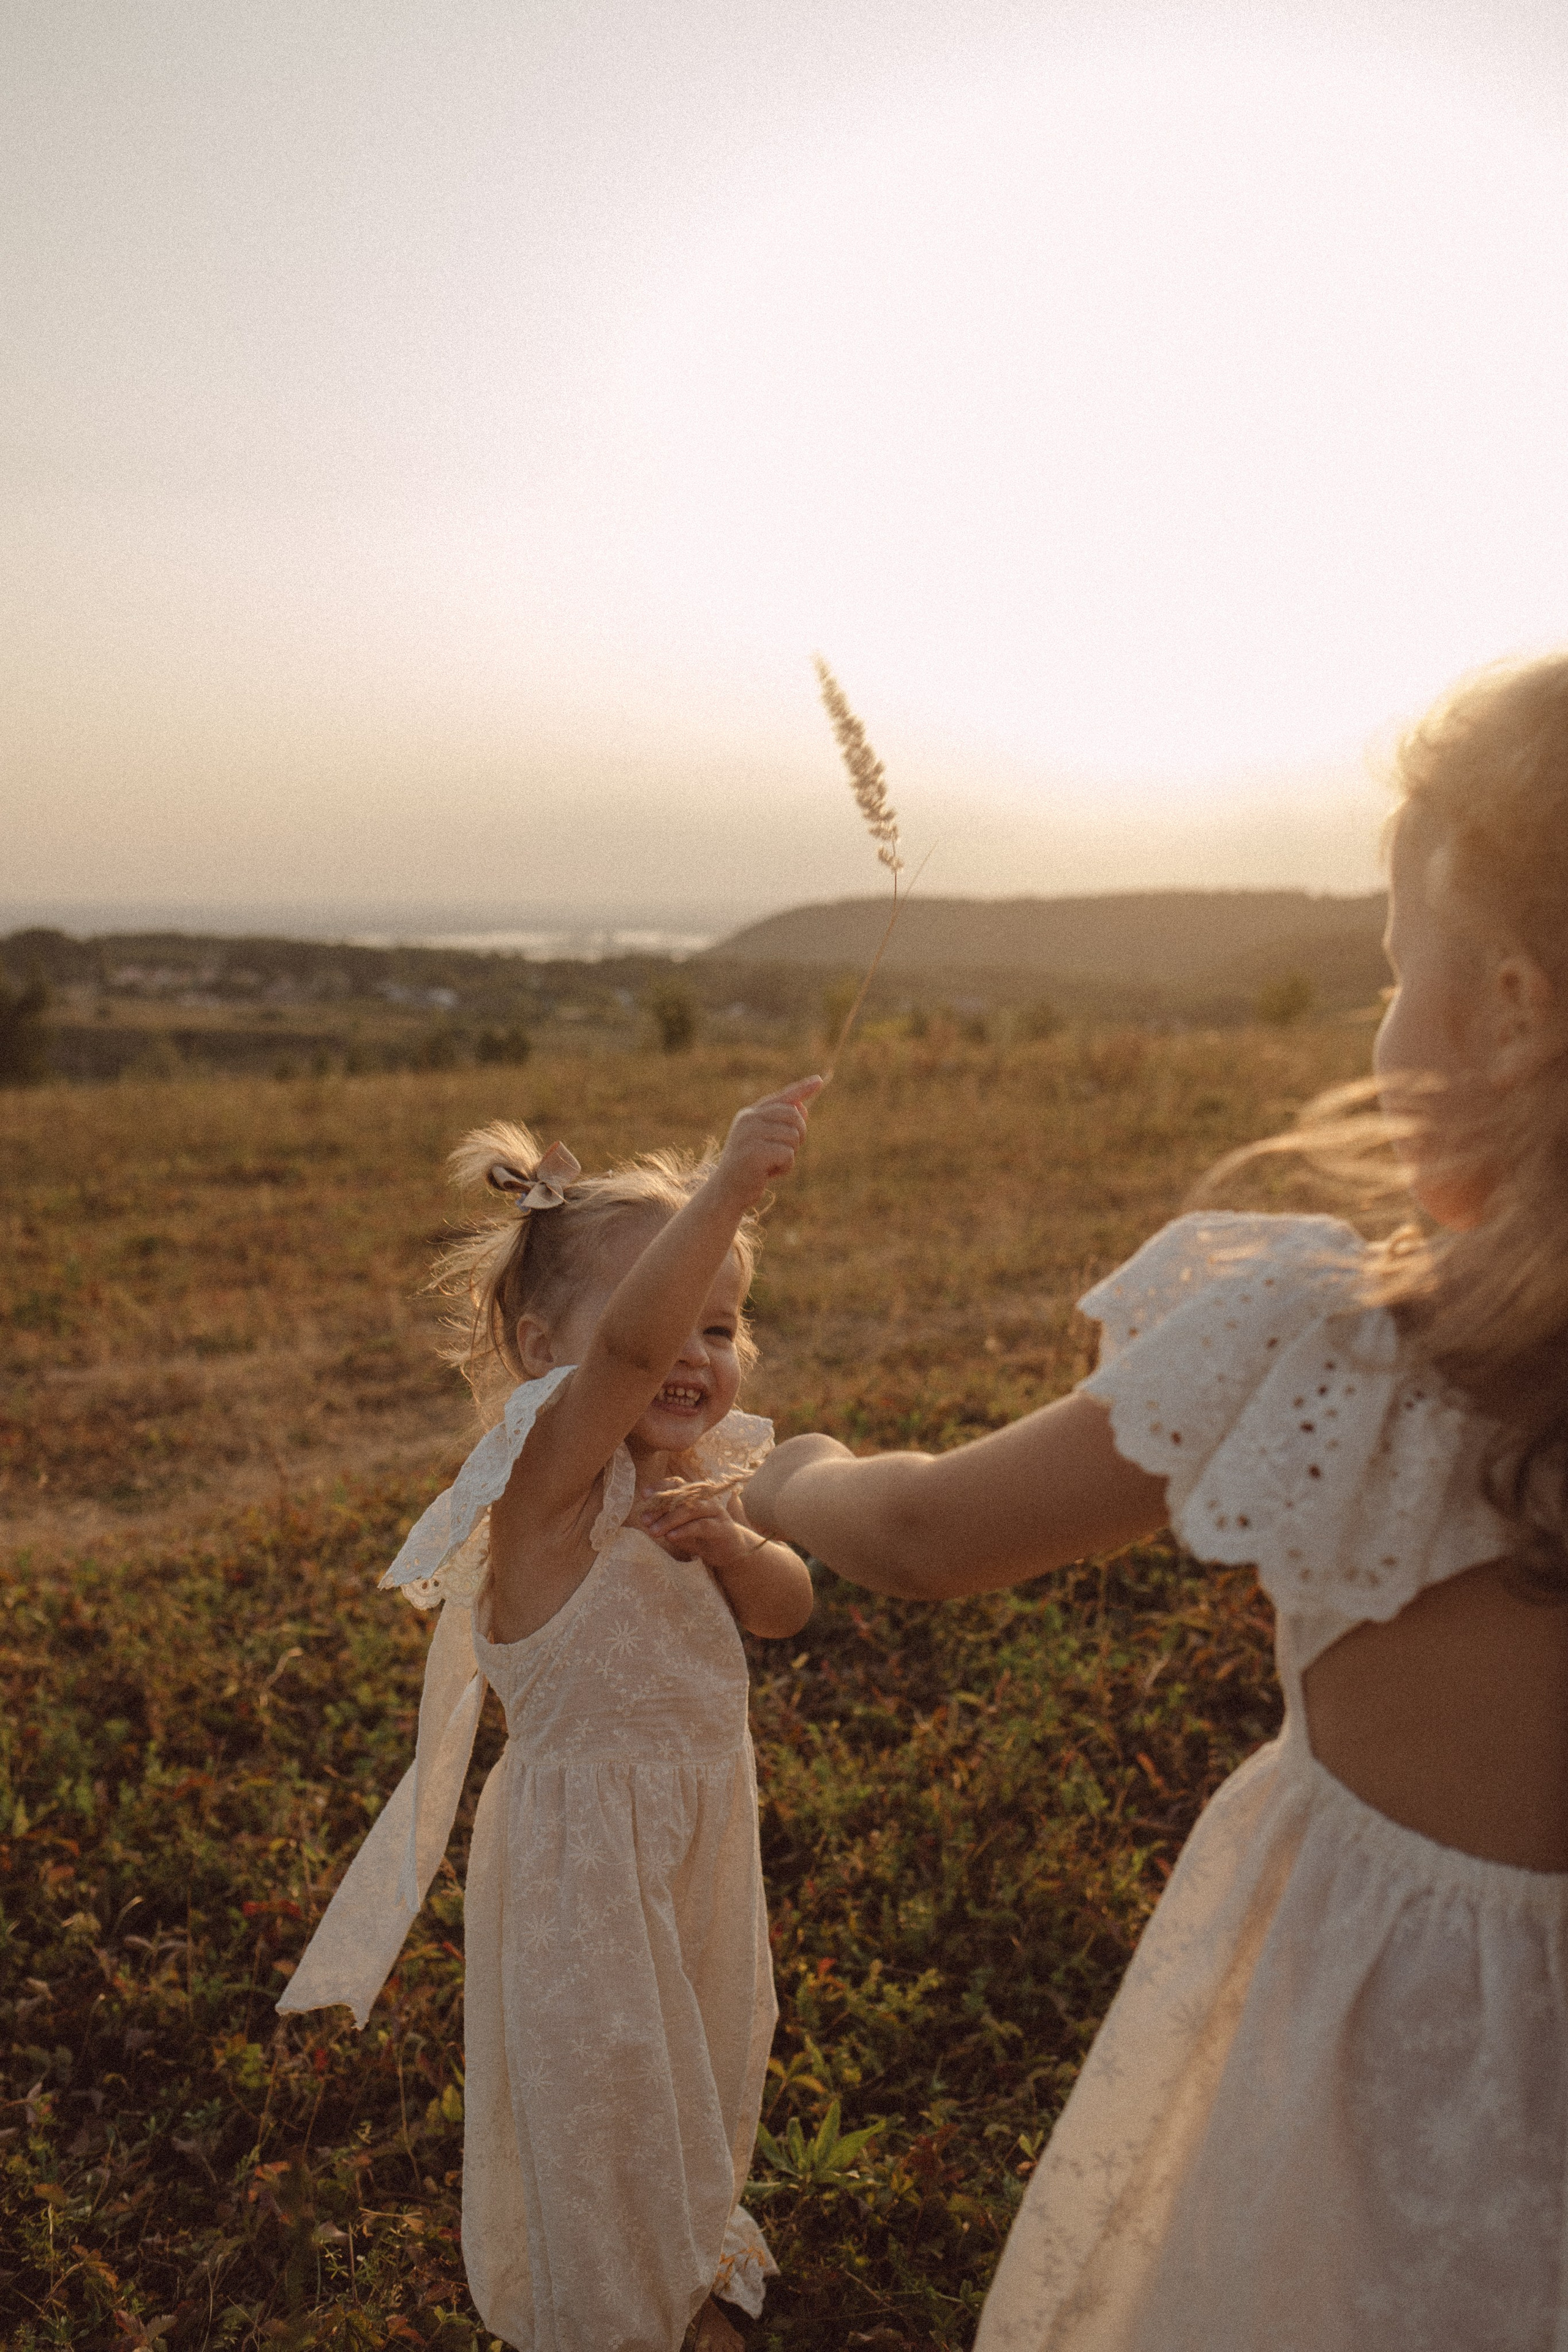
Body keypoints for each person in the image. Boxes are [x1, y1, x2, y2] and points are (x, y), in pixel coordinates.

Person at [744, 656, 1568, 2350]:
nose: (1385, 1028)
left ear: (1512, 1005)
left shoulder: (1334, 1339)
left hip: (1380, 2076)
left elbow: (932, 1534)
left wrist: (792, 1471)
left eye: (1397, 974)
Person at [279, 1080, 821, 2352]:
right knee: (607, 2092)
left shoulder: (698, 1479)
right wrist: (727, 1186)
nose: (693, 1351)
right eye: (671, 1317)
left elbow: (788, 1610)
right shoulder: (538, 1490)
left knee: (708, 2056)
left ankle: (684, 2251)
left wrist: (738, 1551)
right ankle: (624, 2317)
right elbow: (625, 1357)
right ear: (536, 1347)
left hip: (699, 1837)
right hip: (583, 1867)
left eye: (725, 1325)